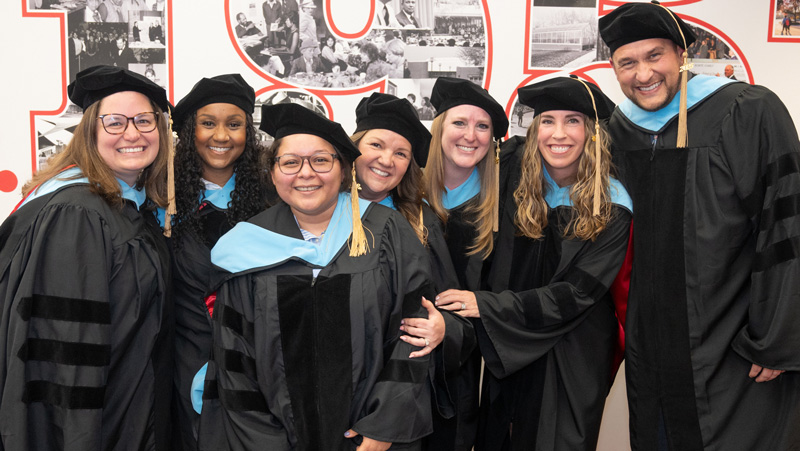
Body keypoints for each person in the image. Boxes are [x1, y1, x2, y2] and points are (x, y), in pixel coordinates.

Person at [599, 2, 800, 450]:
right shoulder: (616, 130)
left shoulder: (747, 111)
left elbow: (785, 224)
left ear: (681, 54)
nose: (643, 73)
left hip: (733, 338)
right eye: (627, 63)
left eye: (655, 56)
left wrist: (778, 338)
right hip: (652, 343)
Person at [195, 103, 434, 450]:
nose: (306, 174)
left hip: (372, 440)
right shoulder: (245, 248)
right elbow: (234, 361)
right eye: (290, 162)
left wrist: (384, 426)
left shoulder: (386, 232)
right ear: (273, 172)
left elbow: (414, 330)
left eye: (321, 160)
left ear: (343, 170)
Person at [436, 76, 632, 450]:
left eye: (573, 120)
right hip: (508, 345)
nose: (558, 134)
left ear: (592, 132)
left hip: (571, 353)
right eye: (547, 121)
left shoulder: (613, 204)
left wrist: (486, 305)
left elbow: (577, 293)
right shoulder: (514, 176)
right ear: (535, 128)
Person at [0, 65, 173, 450]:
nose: (133, 133)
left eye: (145, 121)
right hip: (91, 430)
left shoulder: (128, 208)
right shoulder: (77, 214)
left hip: (127, 416)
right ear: (91, 132)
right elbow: (64, 352)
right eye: (115, 122)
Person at [165, 74, 269, 451]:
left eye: (234, 124)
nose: (221, 136)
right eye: (208, 123)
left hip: (259, 374)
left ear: (248, 132)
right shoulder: (161, 202)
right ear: (191, 130)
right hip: (182, 367)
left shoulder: (272, 202)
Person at [422, 77, 509, 451]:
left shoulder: (505, 200)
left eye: (482, 126)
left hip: (466, 358)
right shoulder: (406, 193)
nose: (470, 135)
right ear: (440, 126)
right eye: (459, 122)